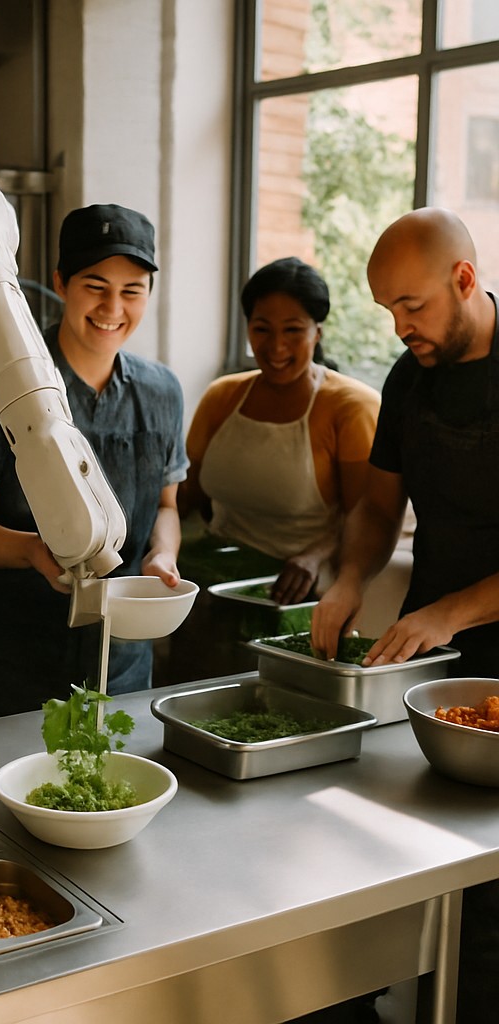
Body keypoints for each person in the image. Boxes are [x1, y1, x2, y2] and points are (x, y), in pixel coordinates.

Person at [311, 207, 499, 1024]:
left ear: (464, 279)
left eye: (412, 306)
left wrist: (450, 612)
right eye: (386, 309)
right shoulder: (407, 378)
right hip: (433, 659)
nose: (399, 327)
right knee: (424, 854)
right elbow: (380, 503)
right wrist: (352, 578)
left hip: (464, 640)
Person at [0, 203, 187, 724]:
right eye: (95, 286)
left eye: (131, 291)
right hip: (8, 661)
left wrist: (161, 556)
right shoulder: (1, 384)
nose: (112, 307)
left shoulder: (161, 391)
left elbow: (167, 503)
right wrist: (33, 550)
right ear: (61, 283)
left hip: (119, 661)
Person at [180, 257, 381, 606]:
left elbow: (368, 515)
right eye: (262, 329)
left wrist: (314, 557)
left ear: (317, 332)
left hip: (300, 585)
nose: (276, 347)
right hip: (217, 574)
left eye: (292, 330)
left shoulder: (352, 406)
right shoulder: (222, 397)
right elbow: (186, 493)